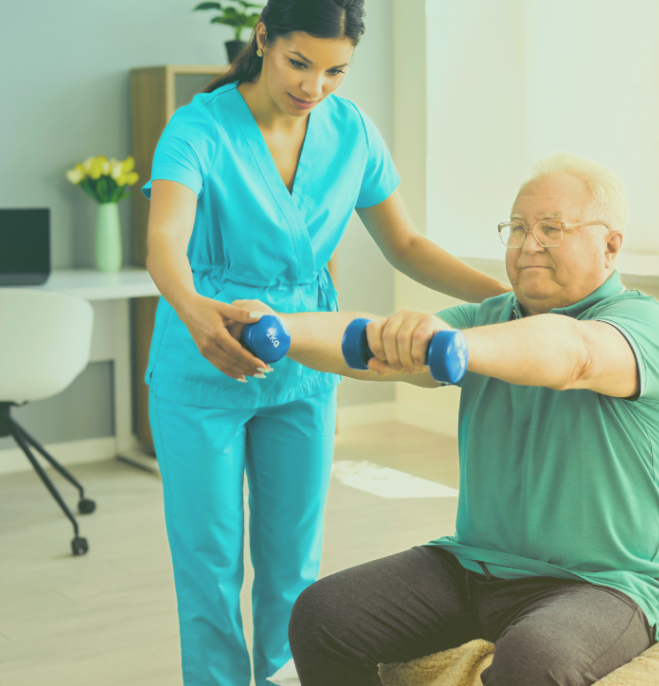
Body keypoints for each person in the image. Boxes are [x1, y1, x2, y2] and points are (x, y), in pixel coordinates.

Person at [142, 1, 509, 684]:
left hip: (307, 369)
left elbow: (405, 244)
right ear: (263, 39)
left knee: (293, 563)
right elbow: (165, 240)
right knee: (209, 565)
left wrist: (504, 303)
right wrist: (196, 314)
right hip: (205, 367)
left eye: (335, 70)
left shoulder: (351, 132)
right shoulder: (199, 125)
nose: (314, 86)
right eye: (298, 62)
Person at [238, 152, 659, 686]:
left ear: (610, 246)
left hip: (601, 585)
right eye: (517, 228)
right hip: (472, 566)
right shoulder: (489, 317)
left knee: (536, 656)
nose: (528, 244)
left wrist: (452, 345)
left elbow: (573, 354)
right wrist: (280, 329)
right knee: (323, 615)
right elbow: (369, 345)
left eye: (552, 228)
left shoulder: (642, 323)